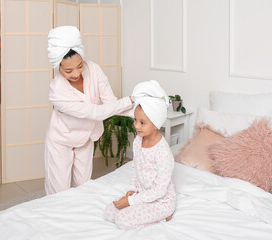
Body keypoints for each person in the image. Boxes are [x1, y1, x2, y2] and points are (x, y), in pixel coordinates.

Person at [44, 26, 134, 195]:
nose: (76, 73)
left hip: (85, 137)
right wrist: (129, 100)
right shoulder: (56, 91)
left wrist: (138, 110)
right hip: (61, 140)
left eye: (79, 66)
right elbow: (96, 112)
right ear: (57, 67)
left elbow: (110, 103)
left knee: (84, 186)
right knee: (59, 191)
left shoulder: (94, 69)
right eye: (68, 71)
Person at [104, 80, 176, 230]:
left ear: (156, 123)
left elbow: (160, 190)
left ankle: (164, 217)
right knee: (109, 212)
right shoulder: (138, 141)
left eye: (142, 123)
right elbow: (136, 167)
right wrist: (132, 189)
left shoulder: (163, 152)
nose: (136, 125)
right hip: (142, 195)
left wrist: (131, 201)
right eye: (135, 120)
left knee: (122, 220)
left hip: (160, 201)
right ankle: (140, 209)